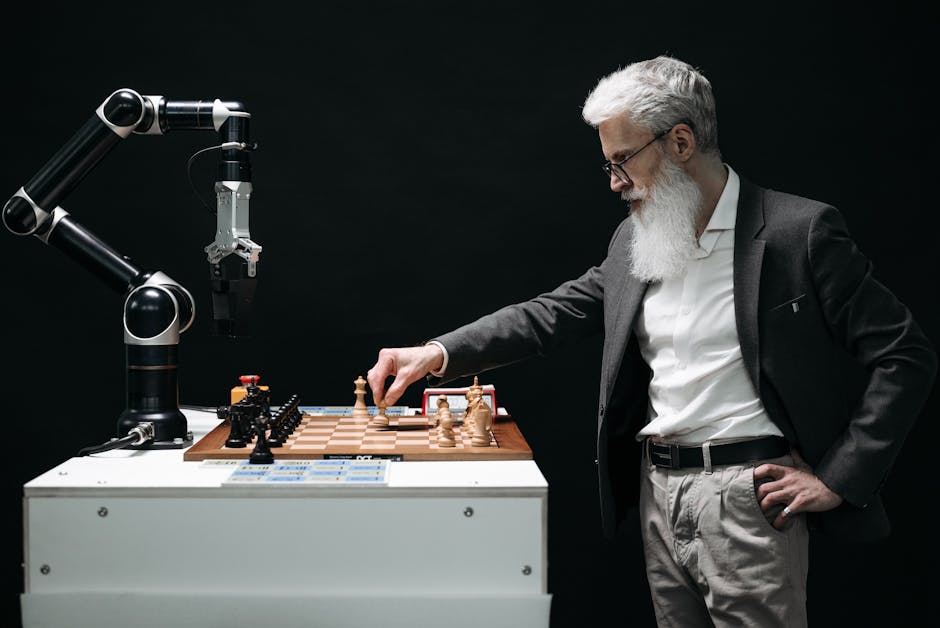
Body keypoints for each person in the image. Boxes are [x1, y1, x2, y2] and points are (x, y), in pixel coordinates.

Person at [366, 55, 937, 627]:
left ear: (681, 142)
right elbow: (553, 314)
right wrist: (436, 353)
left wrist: (839, 477)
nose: (615, 182)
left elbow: (905, 355)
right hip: (657, 494)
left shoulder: (799, 233)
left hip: (749, 503)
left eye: (622, 161)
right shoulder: (636, 239)